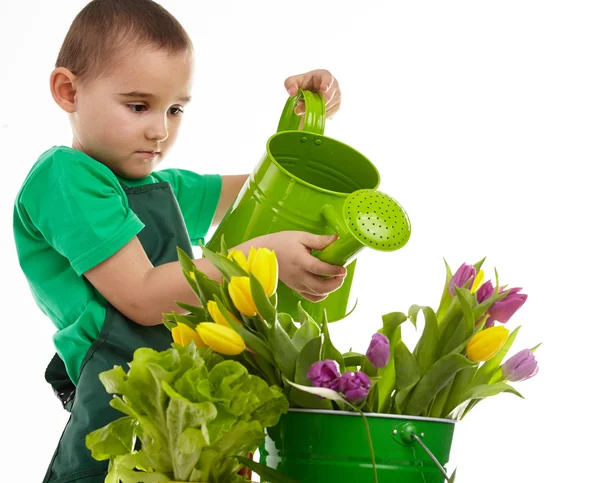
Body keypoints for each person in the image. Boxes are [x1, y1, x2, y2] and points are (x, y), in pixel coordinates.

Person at [12, 1, 347, 481]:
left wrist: (303, 126)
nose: (159, 129)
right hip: (122, 393)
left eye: (174, 109)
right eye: (137, 106)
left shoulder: (161, 187)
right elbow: (144, 297)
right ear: (69, 91)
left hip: (184, 394)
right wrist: (256, 260)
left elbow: (266, 194)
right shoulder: (65, 178)